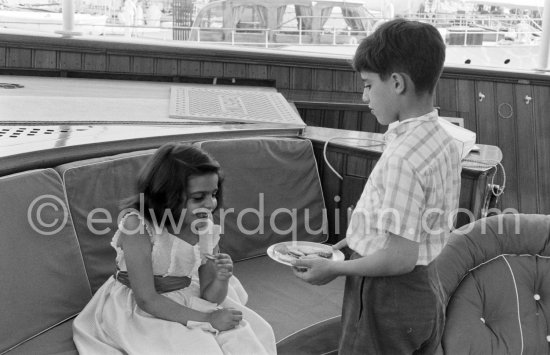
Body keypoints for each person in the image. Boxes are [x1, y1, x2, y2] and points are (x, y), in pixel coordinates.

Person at [292, 19, 462, 354]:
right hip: (429, 289)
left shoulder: (403, 157)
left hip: (388, 296)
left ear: (397, 82)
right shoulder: (443, 140)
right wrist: (344, 245)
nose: (364, 95)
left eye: (369, 85)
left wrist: (335, 269)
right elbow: (410, 231)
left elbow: (398, 258)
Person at [73, 143, 276, 355]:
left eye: (213, 194)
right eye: (198, 197)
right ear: (165, 194)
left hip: (187, 295)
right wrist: (208, 319)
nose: (210, 204)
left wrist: (221, 279)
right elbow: (146, 299)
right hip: (142, 307)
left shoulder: (204, 226)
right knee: (201, 349)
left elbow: (209, 297)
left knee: (253, 334)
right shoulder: (138, 226)